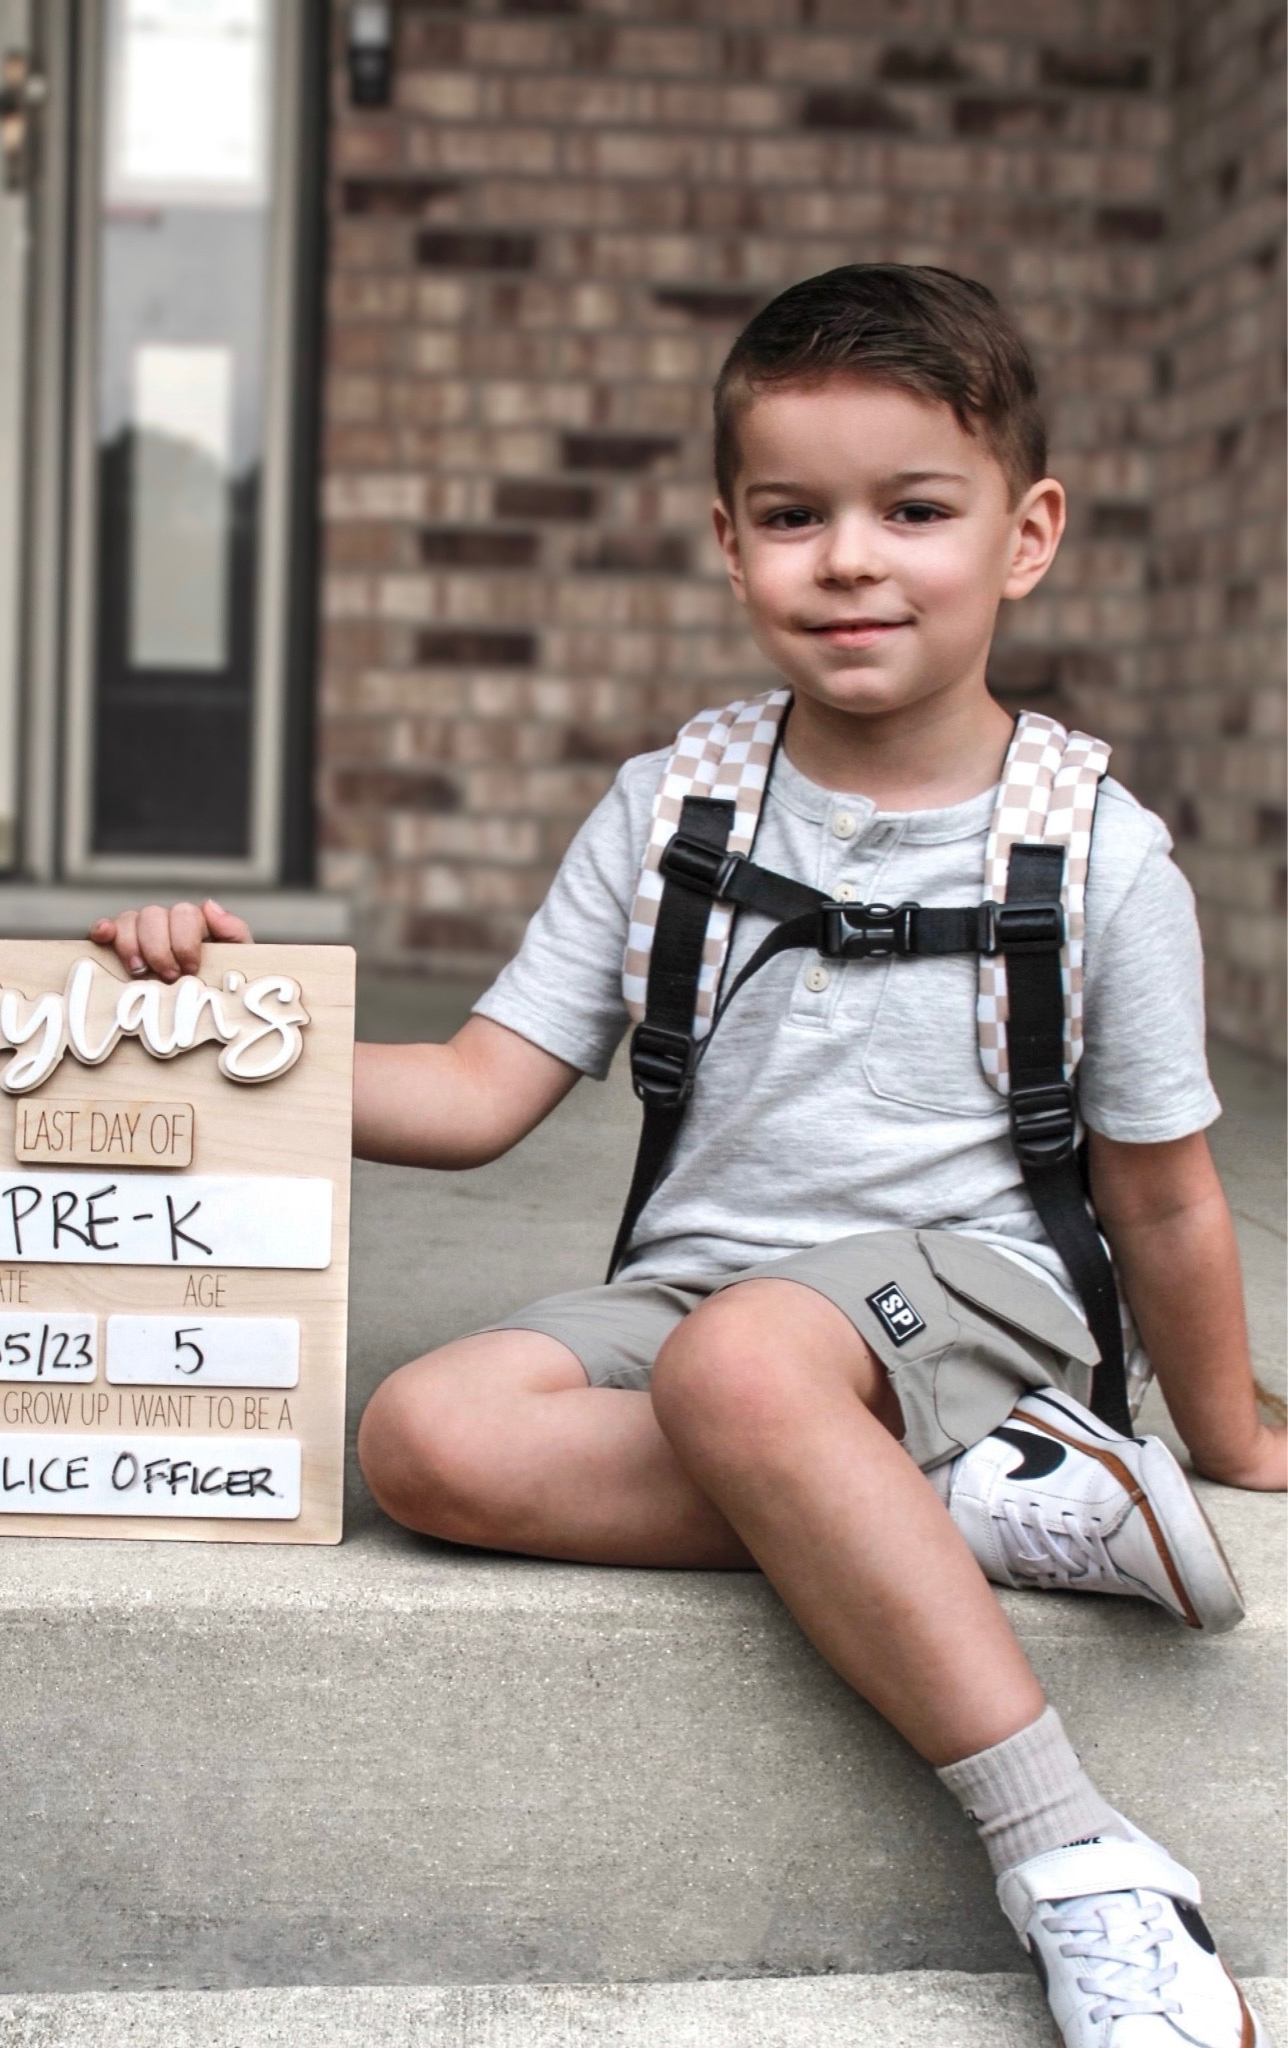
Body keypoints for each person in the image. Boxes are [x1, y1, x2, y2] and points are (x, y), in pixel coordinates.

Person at [94, 265, 1284, 2049]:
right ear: (728, 544)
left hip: (978, 1299)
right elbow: (484, 1089)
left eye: (913, 511)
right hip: (707, 1298)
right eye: (795, 517)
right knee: (428, 1436)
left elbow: (1162, 1187)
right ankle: (954, 1501)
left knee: (747, 1365)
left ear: (1025, 535)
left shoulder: (1097, 851)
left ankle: (1082, 1861)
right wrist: (227, 1027)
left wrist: (1234, 1430)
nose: (852, 560)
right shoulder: (675, 811)